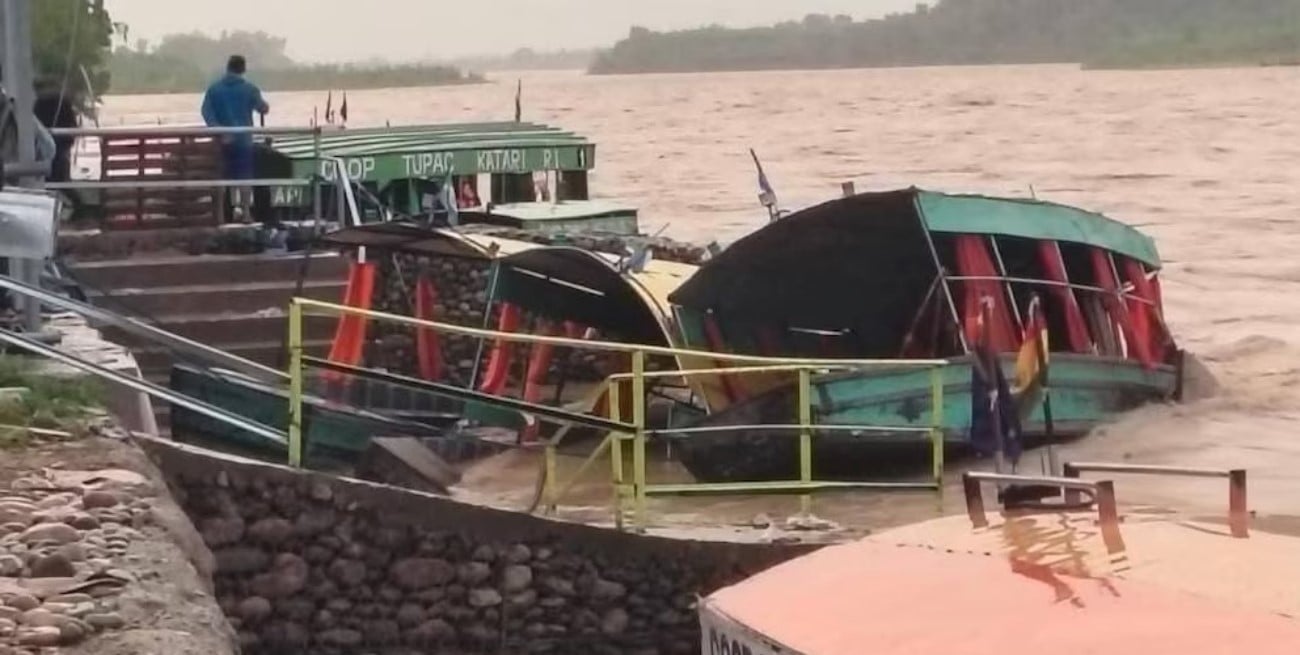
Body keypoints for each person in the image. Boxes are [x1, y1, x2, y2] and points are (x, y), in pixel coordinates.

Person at [201, 55, 269, 222]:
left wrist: (218, 130)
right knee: (244, 177)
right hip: (243, 140)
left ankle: (220, 216)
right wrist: (264, 106)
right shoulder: (250, 89)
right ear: (243, 69)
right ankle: (246, 213)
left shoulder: (214, 89)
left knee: (221, 178)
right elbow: (263, 108)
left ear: (228, 67)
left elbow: (206, 112)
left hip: (221, 141)